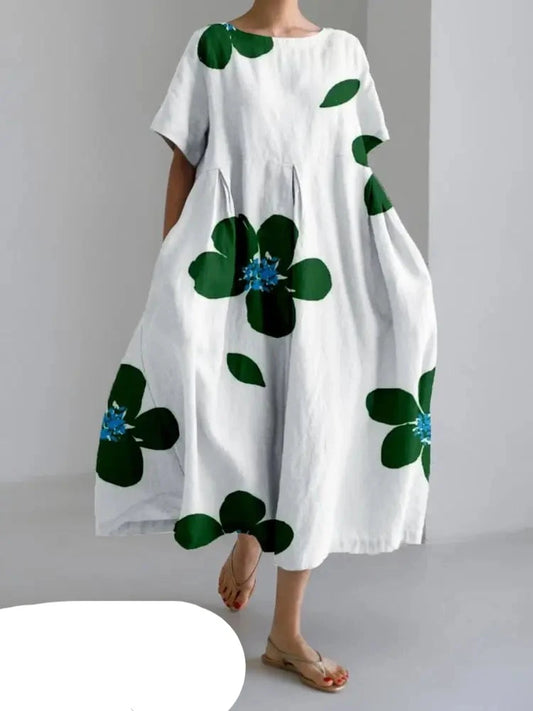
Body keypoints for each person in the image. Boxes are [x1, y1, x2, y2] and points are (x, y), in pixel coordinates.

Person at [94, 0, 437, 694]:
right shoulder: (213, 48)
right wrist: (172, 264)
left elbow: (350, 174)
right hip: (234, 265)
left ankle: (286, 630)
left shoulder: (343, 53)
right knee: (235, 404)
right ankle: (250, 529)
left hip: (321, 268)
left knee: (311, 423)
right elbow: (185, 162)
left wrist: (388, 270)